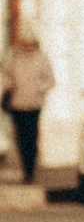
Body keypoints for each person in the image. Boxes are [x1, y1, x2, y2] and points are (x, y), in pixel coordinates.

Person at [3, 17, 53, 190]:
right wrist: (9, 86)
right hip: (17, 103)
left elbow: (49, 80)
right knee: (21, 137)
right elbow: (5, 75)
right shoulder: (14, 57)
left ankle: (30, 170)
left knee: (31, 137)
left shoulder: (41, 58)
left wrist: (38, 89)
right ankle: (26, 169)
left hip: (34, 105)